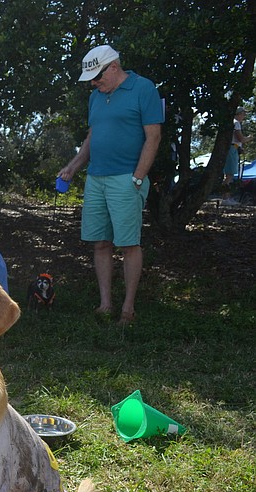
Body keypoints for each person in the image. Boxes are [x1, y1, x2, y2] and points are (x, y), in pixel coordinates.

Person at [57, 45, 163, 325]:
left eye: (97, 76)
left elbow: (153, 137)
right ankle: (105, 304)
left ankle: (128, 308)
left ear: (113, 67)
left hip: (126, 179)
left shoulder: (144, 88)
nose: (93, 83)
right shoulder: (95, 97)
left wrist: (138, 177)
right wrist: (73, 165)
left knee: (128, 244)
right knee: (100, 243)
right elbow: (92, 137)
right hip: (96, 178)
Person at [222, 107, 252, 203]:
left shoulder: (232, 122)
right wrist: (250, 138)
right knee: (230, 175)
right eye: (243, 114)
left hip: (232, 148)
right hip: (232, 149)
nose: (244, 116)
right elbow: (241, 139)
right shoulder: (236, 123)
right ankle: (226, 199)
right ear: (239, 114)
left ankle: (226, 197)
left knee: (228, 175)